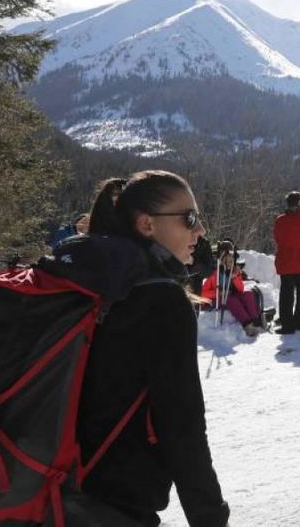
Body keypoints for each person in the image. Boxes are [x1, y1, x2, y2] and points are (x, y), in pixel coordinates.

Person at [78, 170, 229, 525]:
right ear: (147, 224)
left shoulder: (94, 280)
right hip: (110, 503)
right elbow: (181, 424)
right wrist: (210, 517)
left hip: (47, 485)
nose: (200, 231)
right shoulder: (160, 300)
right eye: (189, 218)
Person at [273, 190, 300, 334]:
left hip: (286, 263)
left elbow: (277, 239)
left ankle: (287, 324)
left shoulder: (280, 220)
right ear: (299, 203)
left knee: (286, 294)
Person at [202, 241, 265, 337]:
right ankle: (247, 324)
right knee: (231, 299)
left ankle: (256, 320)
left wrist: (235, 278)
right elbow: (203, 293)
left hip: (232, 294)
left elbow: (241, 289)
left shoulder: (235, 271)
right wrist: (218, 293)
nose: (229, 263)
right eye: (226, 261)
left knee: (248, 294)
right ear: (221, 260)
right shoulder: (214, 273)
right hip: (218, 298)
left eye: (231, 261)